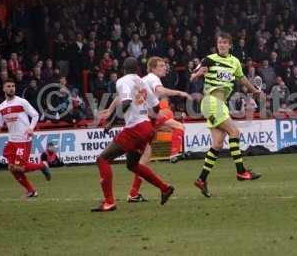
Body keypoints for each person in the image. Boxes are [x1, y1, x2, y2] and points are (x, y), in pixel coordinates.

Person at [100, 56, 190, 203]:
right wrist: (179, 93)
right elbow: (159, 92)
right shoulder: (151, 79)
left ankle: (134, 193)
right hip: (146, 121)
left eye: (164, 65)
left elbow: (122, 97)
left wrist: (110, 113)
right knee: (177, 128)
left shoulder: (136, 80)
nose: (164, 68)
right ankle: (173, 154)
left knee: (142, 159)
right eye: (161, 65)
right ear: (151, 68)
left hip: (144, 122)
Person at [190, 32, 261, 198]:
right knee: (235, 133)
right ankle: (241, 171)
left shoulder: (234, 61)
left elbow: (241, 78)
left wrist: (254, 91)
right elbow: (193, 77)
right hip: (211, 102)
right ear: (217, 44)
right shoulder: (209, 59)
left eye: (224, 43)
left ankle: (201, 179)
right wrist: (198, 75)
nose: (221, 45)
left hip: (218, 105)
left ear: (229, 45)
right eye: (219, 42)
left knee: (217, 144)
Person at [0, 79, 51, 198]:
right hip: (11, 141)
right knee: (11, 168)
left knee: (19, 168)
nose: (11, 88)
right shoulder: (1, 107)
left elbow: (35, 115)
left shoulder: (21, 102)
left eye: (13, 86)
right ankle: (31, 191)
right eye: (8, 86)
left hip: (23, 140)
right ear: (4, 89)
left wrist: (31, 128)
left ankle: (42, 165)